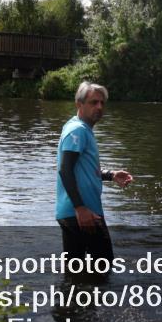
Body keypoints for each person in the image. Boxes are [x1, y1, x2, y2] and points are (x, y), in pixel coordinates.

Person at [56, 82, 133, 274]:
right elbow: (65, 170)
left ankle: (71, 304)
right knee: (103, 269)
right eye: (93, 102)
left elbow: (82, 169)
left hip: (74, 213)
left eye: (102, 103)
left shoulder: (81, 128)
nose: (99, 107)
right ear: (79, 104)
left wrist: (110, 175)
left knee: (75, 274)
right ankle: (91, 304)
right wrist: (80, 209)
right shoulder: (78, 130)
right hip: (84, 213)